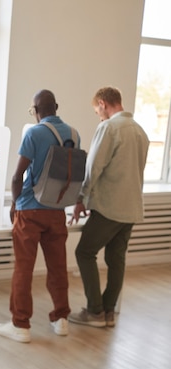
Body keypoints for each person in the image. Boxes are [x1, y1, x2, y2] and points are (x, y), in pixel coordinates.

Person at [0, 89, 77, 343]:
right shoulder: (73, 134)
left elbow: (18, 175)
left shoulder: (34, 133)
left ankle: (21, 324)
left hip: (30, 209)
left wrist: (15, 204)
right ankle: (61, 319)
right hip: (57, 208)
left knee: (24, 268)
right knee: (58, 267)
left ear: (37, 111)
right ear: (57, 106)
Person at [68, 86, 149, 328]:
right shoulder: (140, 132)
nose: (98, 115)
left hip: (109, 207)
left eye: (97, 111)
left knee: (84, 252)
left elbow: (94, 168)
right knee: (116, 260)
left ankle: (95, 311)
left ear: (103, 103)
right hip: (131, 208)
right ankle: (108, 312)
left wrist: (81, 198)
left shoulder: (109, 128)